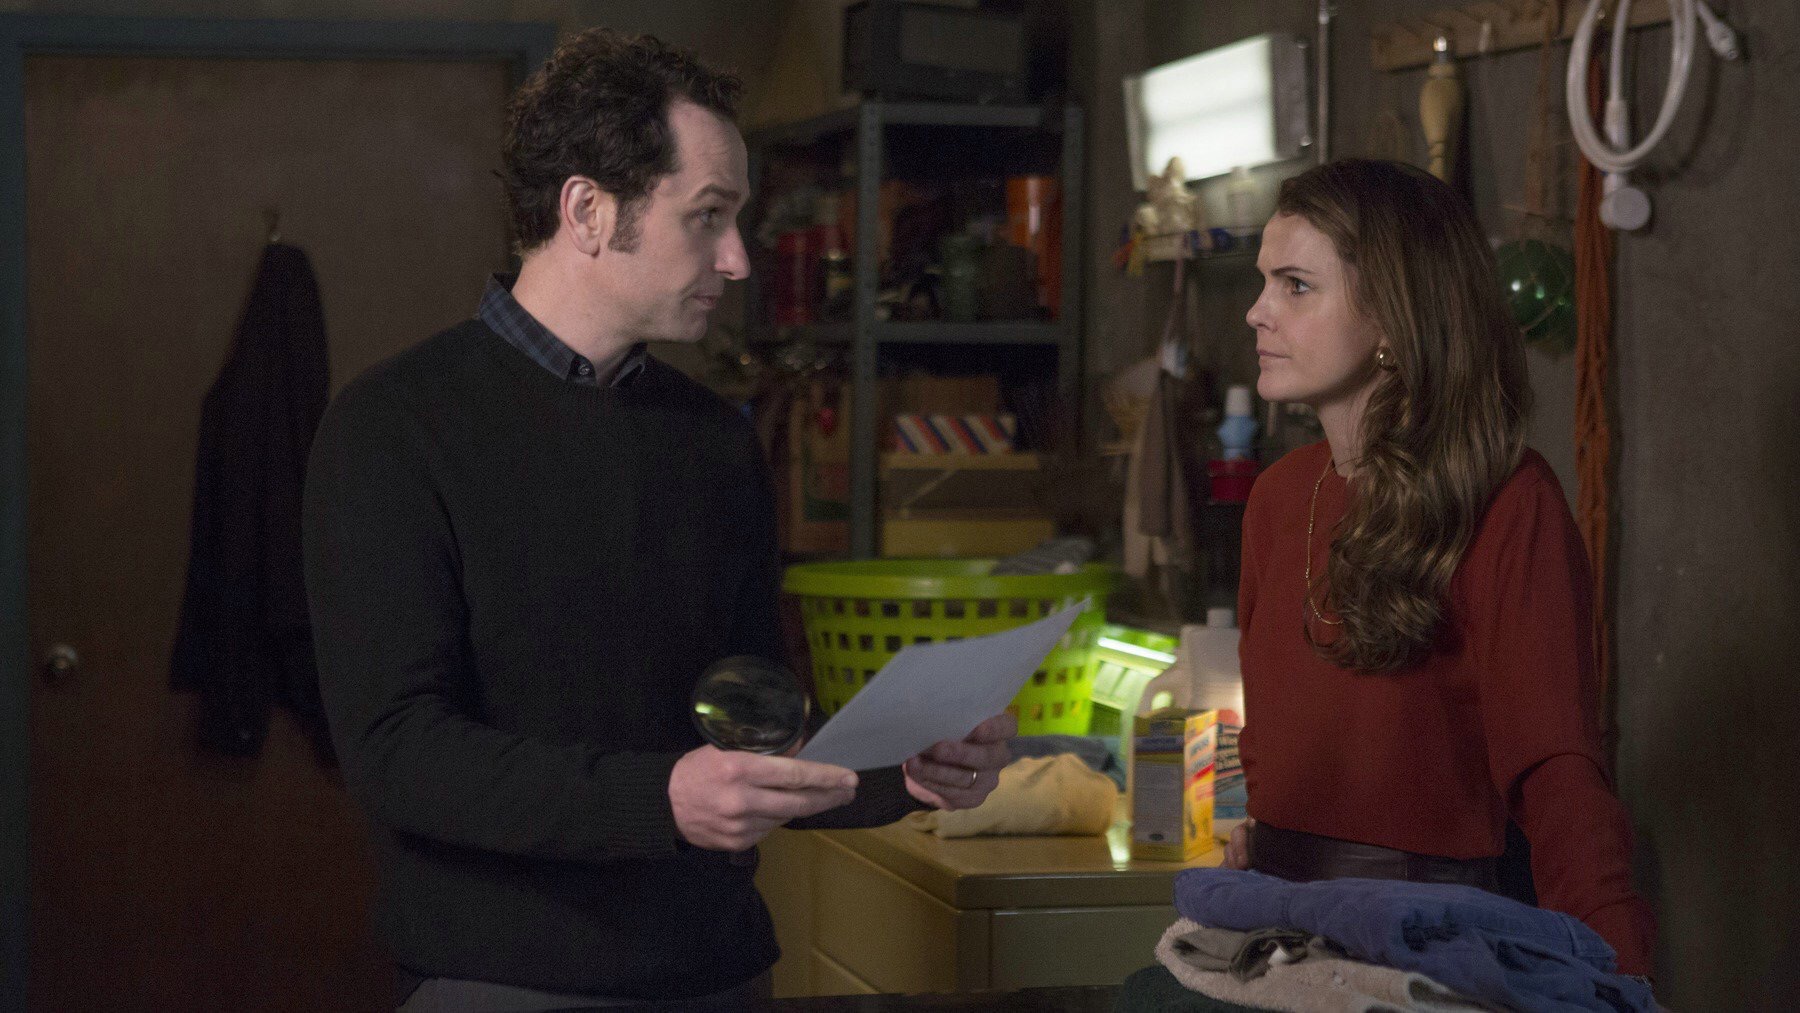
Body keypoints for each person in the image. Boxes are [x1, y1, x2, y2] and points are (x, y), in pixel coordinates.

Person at [301, 28, 1013, 1010]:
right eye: (708, 215)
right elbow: (400, 752)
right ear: (588, 211)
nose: (738, 259)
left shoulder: (714, 439)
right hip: (505, 976)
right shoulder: (394, 426)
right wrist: (662, 800)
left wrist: (903, 771)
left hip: (720, 969)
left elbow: (755, 722)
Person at [1220, 159, 1657, 978]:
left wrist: (1619, 981)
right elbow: (1275, 739)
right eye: (1263, 282)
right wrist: (1267, 837)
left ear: (1393, 314)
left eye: (1295, 285)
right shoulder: (1278, 497)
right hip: (1279, 936)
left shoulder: (1507, 499)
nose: (1257, 310)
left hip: (1425, 952)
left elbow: (1557, 772)